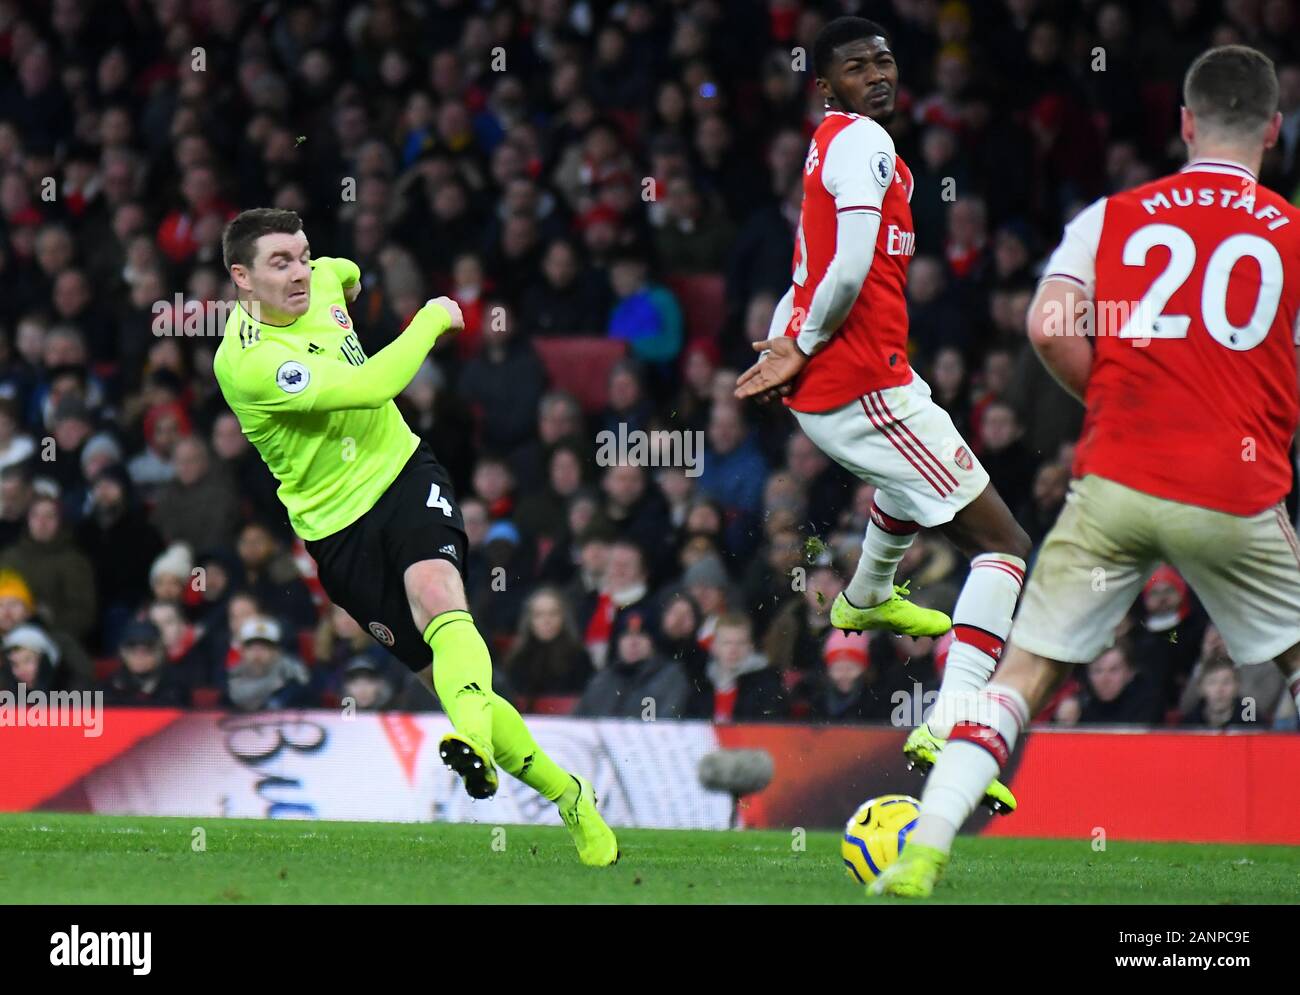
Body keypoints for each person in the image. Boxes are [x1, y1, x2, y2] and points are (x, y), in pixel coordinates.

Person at [880, 45, 1300, 897]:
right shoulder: (1291, 235)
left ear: (1184, 124)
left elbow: (1046, 322)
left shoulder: (1115, 215)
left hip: (1119, 475)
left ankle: (923, 847)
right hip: (1235, 484)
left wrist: (1117, 396)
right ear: (1275, 130)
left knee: (1025, 674)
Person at [212, 208, 615, 865]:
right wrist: (430, 316)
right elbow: (371, 386)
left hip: (402, 475)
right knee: (450, 685)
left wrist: (344, 281)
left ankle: (476, 745)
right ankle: (569, 794)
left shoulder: (319, 280)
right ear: (242, 277)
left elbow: (347, 273)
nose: (300, 272)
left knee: (439, 598)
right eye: (279, 262)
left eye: (302, 254)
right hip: (338, 534)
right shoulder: (249, 363)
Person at [734, 17, 1028, 814]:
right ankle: (953, 722)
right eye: (857, 67)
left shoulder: (835, 145)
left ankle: (864, 593)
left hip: (862, 380)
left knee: (905, 490)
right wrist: (803, 344)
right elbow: (849, 260)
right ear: (826, 85)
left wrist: (793, 334)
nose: (878, 75)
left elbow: (813, 257)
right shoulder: (860, 141)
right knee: (1005, 546)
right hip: (861, 385)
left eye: (886, 61)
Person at [98, 618, 190, 708]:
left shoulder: (175, 687)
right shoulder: (110, 686)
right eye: (132, 650)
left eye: (147, 650)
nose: (139, 657)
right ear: (123, 653)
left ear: (160, 653)